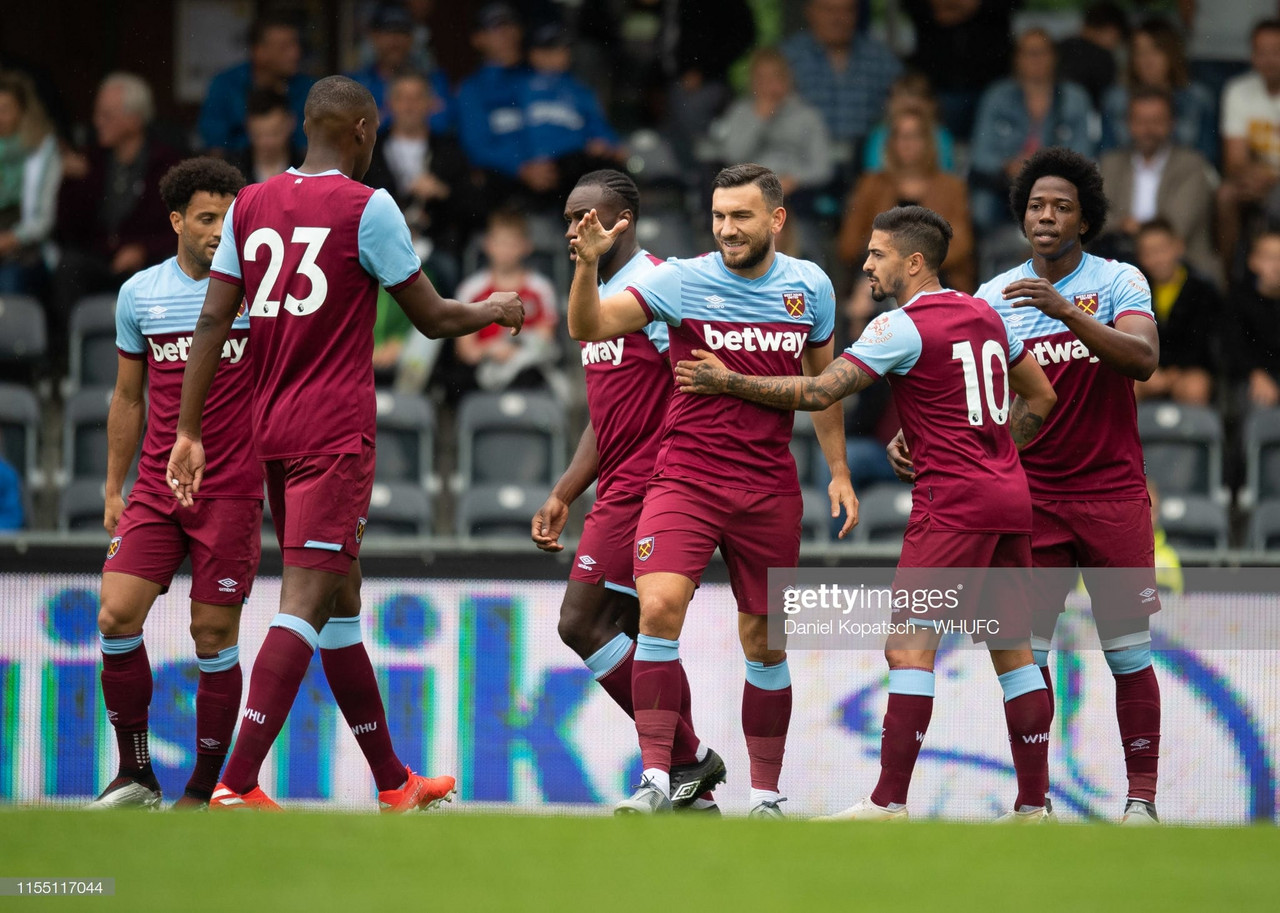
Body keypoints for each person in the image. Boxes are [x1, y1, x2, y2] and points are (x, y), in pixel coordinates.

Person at [166, 76, 525, 810]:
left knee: (339, 600)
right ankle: (235, 782)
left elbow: (211, 323)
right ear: (363, 129)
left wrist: (188, 429)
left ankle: (394, 781)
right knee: (304, 598)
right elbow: (428, 318)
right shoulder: (370, 206)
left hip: (269, 429)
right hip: (333, 433)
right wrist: (495, 307)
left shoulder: (251, 205)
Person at [675, 204, 1059, 821]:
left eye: (877, 254)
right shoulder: (987, 313)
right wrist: (989, 446)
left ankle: (888, 802)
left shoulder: (899, 326)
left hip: (954, 504)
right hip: (1009, 496)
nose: (866, 264)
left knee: (908, 650)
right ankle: (1034, 807)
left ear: (913, 261)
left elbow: (821, 389)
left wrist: (729, 381)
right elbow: (1041, 395)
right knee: (1013, 650)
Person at [567, 163, 857, 817]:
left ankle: (766, 795)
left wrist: (837, 468)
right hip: (686, 477)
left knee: (764, 640)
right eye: (720, 216)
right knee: (658, 608)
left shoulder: (810, 288)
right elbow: (588, 327)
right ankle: (658, 780)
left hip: (768, 485)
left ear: (776, 220)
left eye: (742, 216)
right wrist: (586, 268)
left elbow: (825, 386)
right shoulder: (681, 280)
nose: (727, 228)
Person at [893, 148, 1164, 825]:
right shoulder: (991, 298)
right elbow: (963, 391)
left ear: (1085, 217)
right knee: (1026, 655)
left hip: (1111, 495)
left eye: (1062, 206)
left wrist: (1067, 312)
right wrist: (921, 433)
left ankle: (1142, 801)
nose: (1047, 215)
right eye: (1037, 205)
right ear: (1021, 215)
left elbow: (1144, 360)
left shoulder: (1120, 281)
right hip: (1029, 498)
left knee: (1127, 650)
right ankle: (1032, 803)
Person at [531, 169, 725, 812]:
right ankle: (691, 774)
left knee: (581, 621)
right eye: (568, 218)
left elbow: (694, 377)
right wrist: (565, 489)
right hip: (615, 482)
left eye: (587, 217)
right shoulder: (600, 292)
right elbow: (605, 408)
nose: (572, 229)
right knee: (633, 632)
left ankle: (687, 759)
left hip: (655, 481)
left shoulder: (658, 286)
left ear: (622, 221)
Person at [86, 157, 252, 810]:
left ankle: (203, 787)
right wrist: (112, 485)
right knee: (114, 615)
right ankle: (136, 773)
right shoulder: (141, 294)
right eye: (207, 218)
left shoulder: (257, 296)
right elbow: (128, 397)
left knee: (212, 637)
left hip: (231, 489)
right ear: (178, 221)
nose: (220, 230)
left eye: (230, 218)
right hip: (156, 490)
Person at [51, 73, 182, 347]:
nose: (97, 122)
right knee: (68, 268)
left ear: (134, 119)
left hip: (148, 263)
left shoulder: (167, 162)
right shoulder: (91, 160)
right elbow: (67, 230)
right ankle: (70, 357)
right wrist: (73, 183)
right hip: (100, 259)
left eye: (106, 115)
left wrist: (143, 249)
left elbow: (180, 228)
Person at [968, 30, 1095, 236]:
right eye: (1029, 53)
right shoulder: (997, 96)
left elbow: (1084, 154)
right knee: (982, 208)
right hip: (1005, 186)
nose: (1035, 59)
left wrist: (1043, 169)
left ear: (1054, 57)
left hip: (1058, 185)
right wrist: (1008, 165)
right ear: (1017, 59)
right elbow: (980, 155)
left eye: (1041, 52)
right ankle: (992, 265)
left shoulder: (1075, 98)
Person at [836, 105, 975, 292]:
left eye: (915, 136)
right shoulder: (870, 185)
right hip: (878, 276)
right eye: (901, 136)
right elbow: (848, 245)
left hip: (938, 277)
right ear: (891, 142)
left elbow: (961, 245)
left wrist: (910, 265)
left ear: (928, 142)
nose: (907, 143)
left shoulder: (951, 187)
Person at [1096, 88, 1219, 286]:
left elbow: (1178, 225)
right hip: (1118, 255)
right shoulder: (1111, 163)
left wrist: (1127, 225)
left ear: (1172, 123)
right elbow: (1096, 216)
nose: (1148, 129)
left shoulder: (1192, 165)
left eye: (1156, 121)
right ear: (1129, 124)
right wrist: (1121, 225)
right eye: (1141, 121)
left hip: (1180, 259)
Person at [452, 209, 562, 394]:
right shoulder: (471, 290)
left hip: (528, 370)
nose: (505, 251)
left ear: (526, 246)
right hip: (483, 371)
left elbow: (545, 340)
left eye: (512, 244)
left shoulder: (541, 288)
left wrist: (515, 351)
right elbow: (465, 350)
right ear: (488, 245)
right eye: (500, 243)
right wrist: (492, 350)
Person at [709, 48, 834, 199]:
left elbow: (823, 168)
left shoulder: (807, 116)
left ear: (787, 79)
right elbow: (733, 157)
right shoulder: (739, 112)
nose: (768, 85)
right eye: (761, 78)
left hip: (797, 193)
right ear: (752, 82)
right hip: (750, 191)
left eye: (774, 77)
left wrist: (794, 179)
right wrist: (759, 120)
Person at [780, 0, 901, 151]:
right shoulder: (788, 58)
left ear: (857, 13)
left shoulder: (881, 59)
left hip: (868, 161)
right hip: (804, 161)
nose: (837, 18)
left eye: (847, 10)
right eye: (828, 10)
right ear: (809, 12)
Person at [1100, 19, 1218, 166]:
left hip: (1186, 178)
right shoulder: (1116, 99)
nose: (1147, 61)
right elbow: (1107, 156)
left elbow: (1206, 157)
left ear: (1172, 54)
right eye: (1139, 52)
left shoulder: (1198, 97)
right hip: (1127, 181)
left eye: (1156, 51)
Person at [1217, 20, 1280, 283]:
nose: (1268, 59)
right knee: (1225, 195)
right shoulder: (1238, 91)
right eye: (1260, 51)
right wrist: (1259, 177)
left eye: (1276, 50)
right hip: (1255, 179)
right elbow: (1234, 161)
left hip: (1272, 180)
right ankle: (1232, 281)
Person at [1132, 218, 1219, 406]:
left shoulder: (1202, 289)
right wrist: (1152, 370)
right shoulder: (1133, 289)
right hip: (1150, 369)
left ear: (1178, 247)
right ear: (1139, 257)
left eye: (1162, 249)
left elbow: (1203, 341)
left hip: (1189, 369)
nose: (1157, 258)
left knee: (1196, 387)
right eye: (1148, 253)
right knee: (1129, 385)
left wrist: (1173, 373)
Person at [198, 13, 313, 155]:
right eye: (284, 47)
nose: (295, 54)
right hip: (238, 172)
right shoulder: (225, 85)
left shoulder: (308, 89)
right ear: (259, 51)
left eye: (296, 45)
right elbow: (215, 146)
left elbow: (310, 147)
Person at [0, 70, 60, 295]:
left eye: (5, 109)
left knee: (9, 281)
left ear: (22, 112)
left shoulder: (42, 151)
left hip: (26, 250)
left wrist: (10, 240)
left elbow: (44, 221)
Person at [1233, 230, 1280, 410]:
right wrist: (1255, 375)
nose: (1277, 265)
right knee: (1258, 401)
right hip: (1254, 378)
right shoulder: (1239, 299)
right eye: (1270, 257)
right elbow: (1233, 348)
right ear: (1253, 261)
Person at [1055, 1, 1129, 110]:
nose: (1115, 46)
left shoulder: (1057, 48)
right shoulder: (1103, 59)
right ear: (1112, 31)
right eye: (1118, 40)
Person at [228, 90, 302, 185]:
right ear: (248, 127)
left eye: (275, 133)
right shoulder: (233, 171)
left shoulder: (307, 169)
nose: (268, 142)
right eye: (259, 135)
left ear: (290, 124)